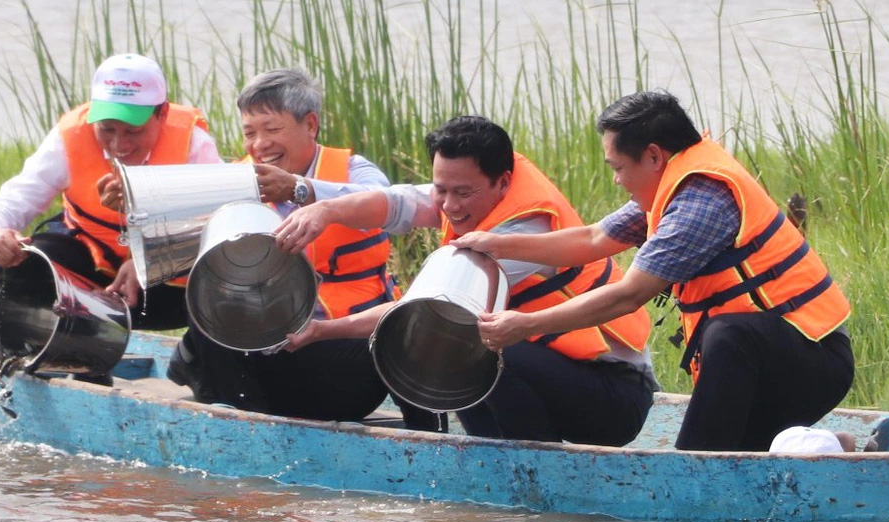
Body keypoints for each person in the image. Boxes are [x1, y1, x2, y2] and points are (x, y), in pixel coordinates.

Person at [460, 91, 852, 453]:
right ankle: (836, 448)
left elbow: (628, 295)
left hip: (809, 361)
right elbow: (595, 238)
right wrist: (497, 243)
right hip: (770, 364)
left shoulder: (701, 201)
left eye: (617, 167)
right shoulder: (670, 182)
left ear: (653, 155)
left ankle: (692, 466)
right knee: (749, 446)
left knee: (729, 337)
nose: (616, 179)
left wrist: (525, 325)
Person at [273, 116, 655, 447]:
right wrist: (324, 208)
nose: (450, 205)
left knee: (467, 342)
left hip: (612, 396)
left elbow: (423, 306)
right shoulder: (465, 192)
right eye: (441, 189)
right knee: (465, 345)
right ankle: (480, 454)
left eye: (462, 193)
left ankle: (532, 466)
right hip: (555, 374)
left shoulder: (525, 228)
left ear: (503, 183)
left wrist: (324, 331)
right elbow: (393, 203)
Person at [172, 69, 433, 426]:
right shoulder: (232, 180)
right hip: (264, 356)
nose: (259, 144)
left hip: (342, 351)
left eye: (272, 129)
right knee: (207, 299)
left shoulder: (355, 171)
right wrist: (129, 207)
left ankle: (431, 441)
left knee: (407, 332)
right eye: (250, 133)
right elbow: (175, 226)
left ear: (310, 125)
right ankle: (243, 419)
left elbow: (381, 203)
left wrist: (301, 189)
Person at [0, 52, 219, 329]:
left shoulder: (193, 145)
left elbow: (219, 222)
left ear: (162, 114)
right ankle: (62, 353)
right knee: (29, 262)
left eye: (133, 131)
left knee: (222, 285)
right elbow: (15, 198)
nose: (119, 145)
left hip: (166, 282)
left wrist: (151, 261)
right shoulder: (70, 137)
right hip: (89, 258)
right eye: (107, 129)